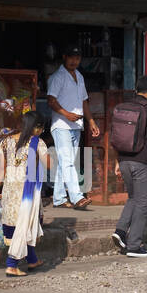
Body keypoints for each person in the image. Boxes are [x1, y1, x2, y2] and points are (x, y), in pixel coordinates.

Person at [111, 76, 147, 258]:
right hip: (141, 163)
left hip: (124, 160)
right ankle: (134, 246)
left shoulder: (124, 107)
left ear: (136, 89)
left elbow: (116, 136)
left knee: (133, 198)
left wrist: (117, 162)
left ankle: (120, 231)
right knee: (143, 204)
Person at [0, 111, 50, 276]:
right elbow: (48, 165)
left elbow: (1, 169)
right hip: (27, 193)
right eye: (41, 128)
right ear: (37, 128)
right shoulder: (37, 142)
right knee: (26, 224)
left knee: (19, 224)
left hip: (10, 191)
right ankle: (11, 265)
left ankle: (33, 260)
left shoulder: (6, 142)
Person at [46, 44, 99, 209]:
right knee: (68, 161)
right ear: (64, 57)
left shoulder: (80, 77)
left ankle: (59, 198)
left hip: (76, 125)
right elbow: (51, 100)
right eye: (71, 57)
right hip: (61, 125)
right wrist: (66, 114)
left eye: (77, 58)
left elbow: (84, 101)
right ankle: (77, 197)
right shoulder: (57, 77)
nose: (74, 61)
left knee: (65, 162)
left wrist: (91, 121)